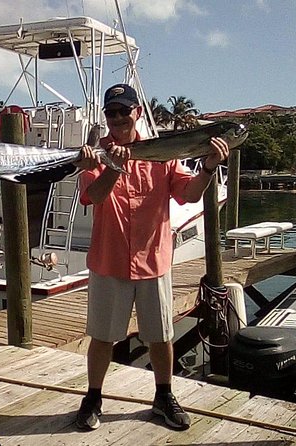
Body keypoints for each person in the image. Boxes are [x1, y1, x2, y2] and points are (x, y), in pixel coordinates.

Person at [73, 84, 229, 432]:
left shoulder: (162, 153)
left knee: (160, 336)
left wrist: (207, 167)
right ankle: (93, 398)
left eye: (123, 112)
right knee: (101, 336)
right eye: (110, 113)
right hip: (108, 262)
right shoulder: (96, 156)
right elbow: (94, 196)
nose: (116, 119)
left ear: (137, 113)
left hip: (153, 262)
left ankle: (164, 396)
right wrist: (113, 166)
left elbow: (188, 194)